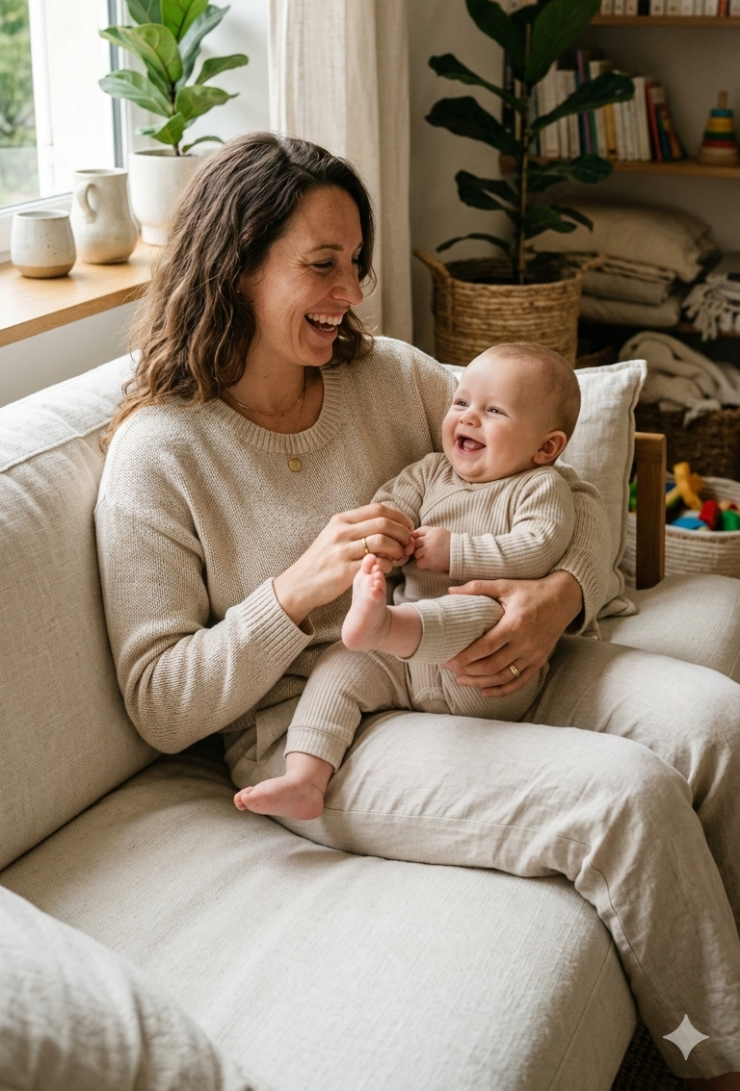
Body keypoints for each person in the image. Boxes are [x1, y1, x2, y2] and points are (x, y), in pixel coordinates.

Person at [95, 132, 740, 1087]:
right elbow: (158, 697)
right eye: (322, 265)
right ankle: (720, 1061)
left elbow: (570, 485)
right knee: (624, 798)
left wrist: (561, 596)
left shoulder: (388, 377)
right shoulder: (160, 454)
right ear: (235, 265)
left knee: (720, 722)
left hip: (474, 659)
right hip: (326, 727)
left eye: (354, 265)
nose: (351, 293)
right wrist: (296, 588)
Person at [235, 342, 582, 821]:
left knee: (483, 609)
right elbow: (389, 505)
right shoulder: (429, 472)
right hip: (404, 663)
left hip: (483, 670)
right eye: (460, 403)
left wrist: (455, 551)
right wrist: (384, 537)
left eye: (494, 411)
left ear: (547, 447)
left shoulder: (540, 487)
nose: (468, 418)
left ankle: (383, 626)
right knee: (340, 664)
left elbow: (540, 545)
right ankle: (305, 777)